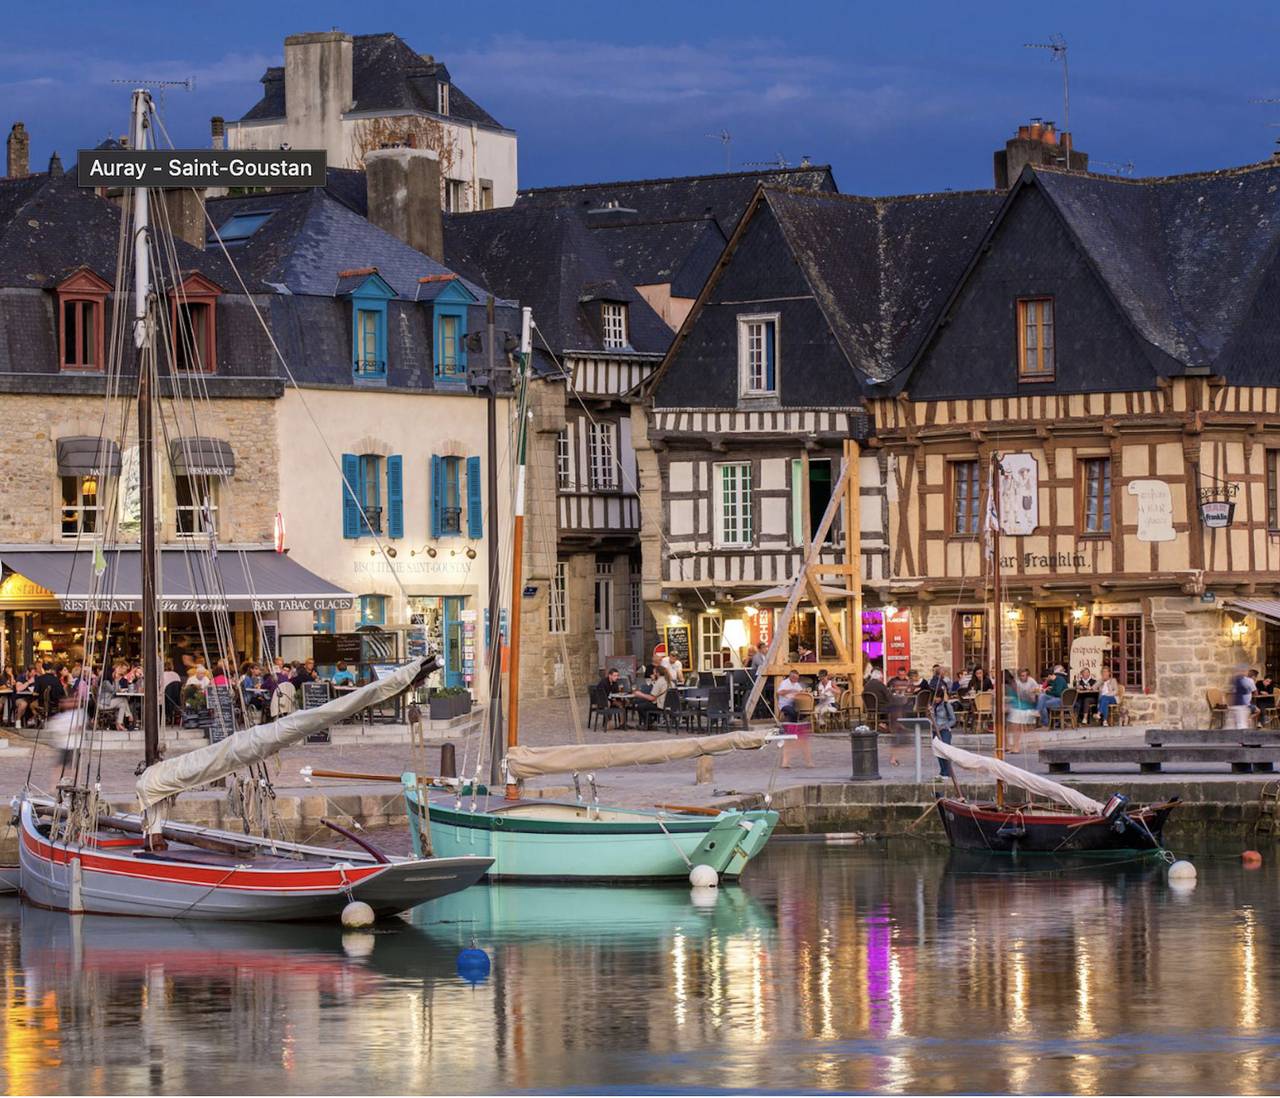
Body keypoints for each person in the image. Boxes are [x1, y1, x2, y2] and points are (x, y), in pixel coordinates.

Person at [1008, 668, 1040, 752]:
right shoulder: (1016, 682)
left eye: (1024, 676)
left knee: (1028, 729)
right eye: (1021, 676)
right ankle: (1016, 747)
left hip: (1027, 707)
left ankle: (1038, 746)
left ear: (1027, 675)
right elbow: (1014, 694)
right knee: (1016, 729)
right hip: (1017, 707)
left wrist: (1033, 692)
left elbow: (1037, 691)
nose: (1023, 677)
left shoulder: (1031, 681)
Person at [931, 687, 957, 778]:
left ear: (941, 697)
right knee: (938, 752)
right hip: (935, 730)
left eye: (938, 697)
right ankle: (942, 772)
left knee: (945, 751)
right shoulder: (932, 706)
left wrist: (944, 726)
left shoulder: (947, 705)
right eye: (935, 697)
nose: (936, 699)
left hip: (945, 730)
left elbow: (953, 720)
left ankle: (947, 772)